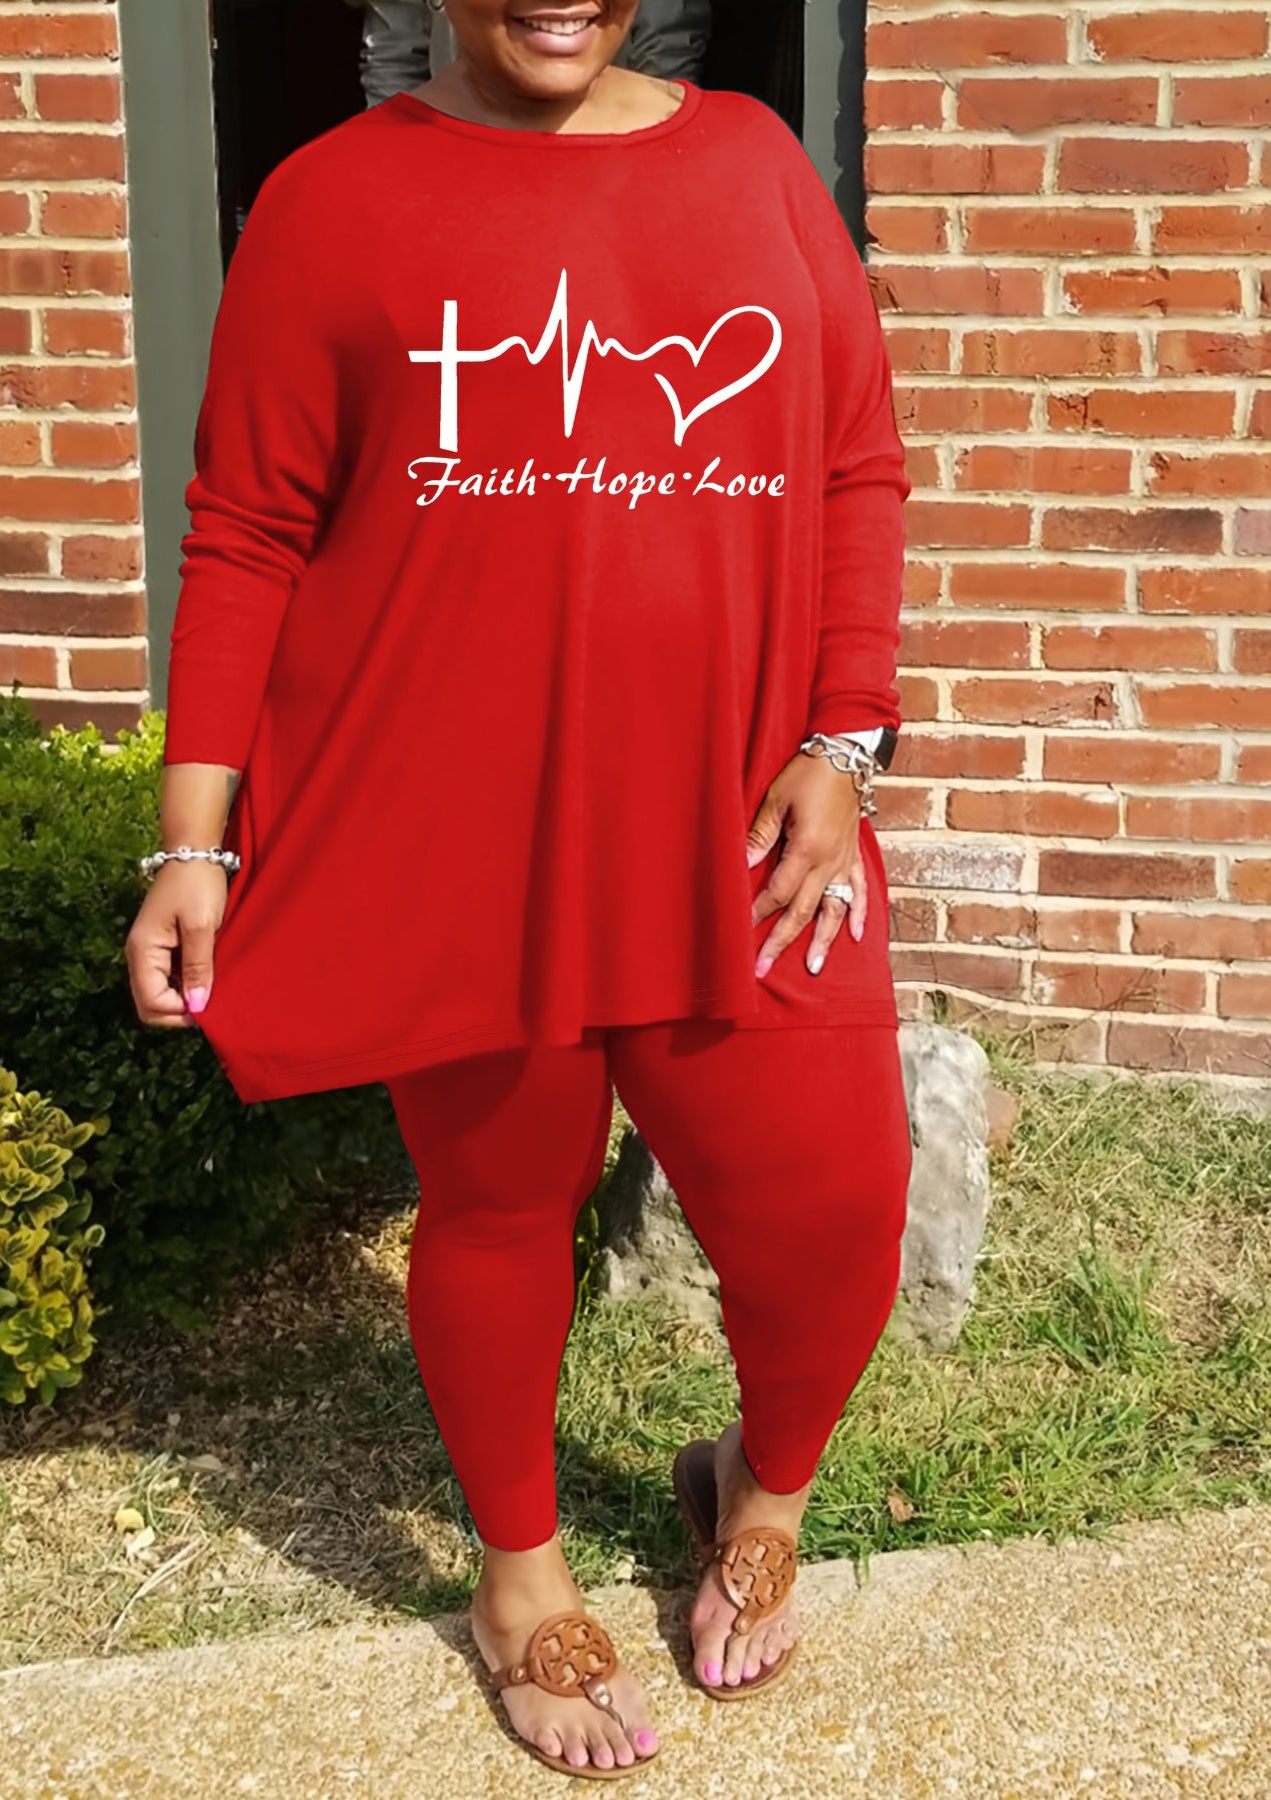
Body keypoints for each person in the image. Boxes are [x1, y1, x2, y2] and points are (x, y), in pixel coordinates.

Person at [127, 0, 913, 1780]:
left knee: (838, 1199)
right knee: (496, 1204)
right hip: (466, 822)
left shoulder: (752, 166)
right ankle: (516, 1575)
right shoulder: (333, 199)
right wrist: (193, 843)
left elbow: (855, 466)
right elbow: (246, 529)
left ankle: (761, 1486)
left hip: (742, 822)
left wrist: (845, 737)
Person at [348, 0, 712, 106]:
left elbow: (666, 47)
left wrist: (660, 153)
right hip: (454, 150)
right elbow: (395, 52)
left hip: (612, 149)